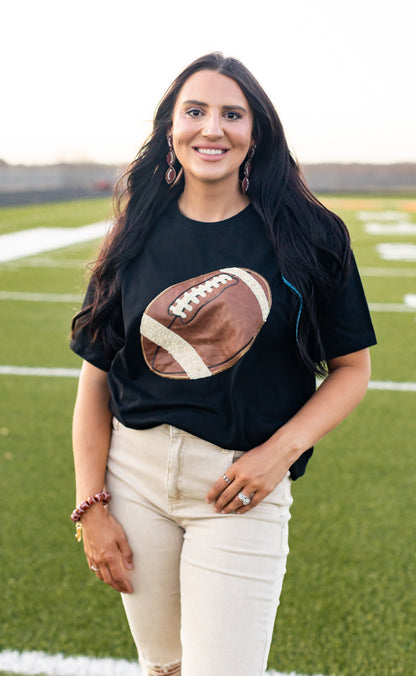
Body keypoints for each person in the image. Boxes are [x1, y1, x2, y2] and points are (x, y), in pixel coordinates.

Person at [70, 52, 376, 676]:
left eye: (231, 114)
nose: (212, 129)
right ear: (171, 129)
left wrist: (279, 453)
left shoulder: (311, 234)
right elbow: (97, 376)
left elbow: (351, 369)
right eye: (196, 111)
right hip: (136, 481)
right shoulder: (134, 232)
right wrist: (91, 505)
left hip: (239, 487)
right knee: (165, 667)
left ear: (255, 131)